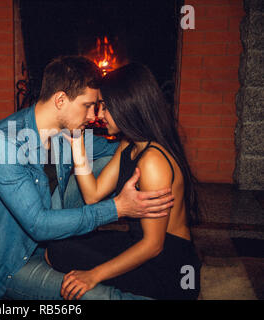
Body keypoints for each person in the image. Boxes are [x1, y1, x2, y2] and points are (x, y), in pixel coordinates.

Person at [0, 56, 175, 300]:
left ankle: (110, 246)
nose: (95, 115)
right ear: (61, 100)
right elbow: (38, 225)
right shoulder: (1, 145)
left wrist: (159, 158)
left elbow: (123, 150)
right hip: (10, 263)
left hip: (49, 238)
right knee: (100, 295)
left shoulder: (67, 131)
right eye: (88, 105)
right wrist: (117, 208)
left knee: (110, 162)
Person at [46, 62, 202, 300]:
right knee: (58, 248)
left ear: (126, 107)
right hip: (138, 242)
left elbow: (154, 245)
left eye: (105, 107)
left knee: (62, 256)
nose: (99, 115)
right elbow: (93, 195)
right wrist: (77, 147)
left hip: (168, 267)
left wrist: (94, 275)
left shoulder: (153, 161)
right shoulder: (130, 143)